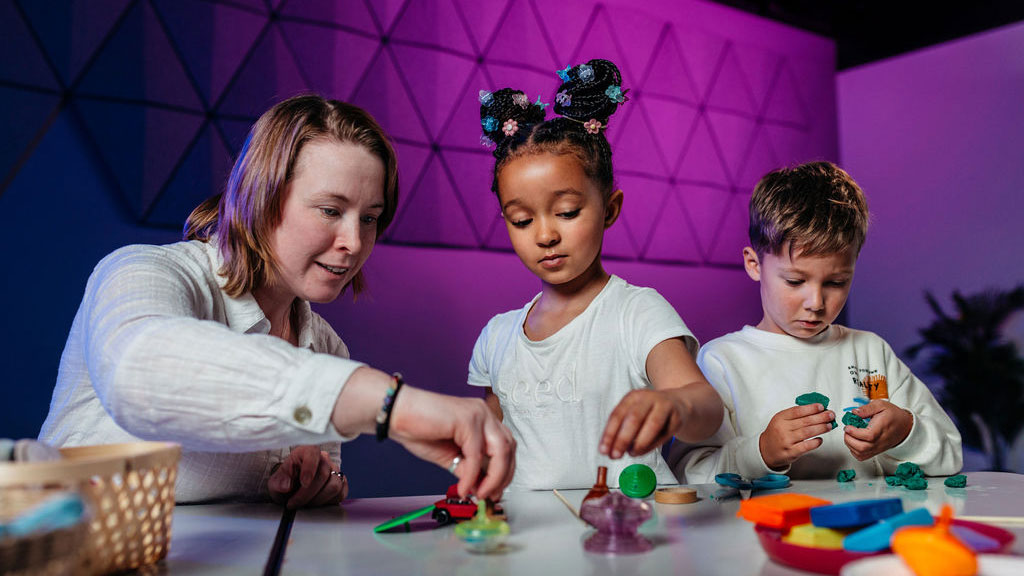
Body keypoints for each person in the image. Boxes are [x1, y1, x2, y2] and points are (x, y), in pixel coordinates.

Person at [39, 94, 514, 507]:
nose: (354, 241)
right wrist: (391, 404)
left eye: (370, 218)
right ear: (261, 196)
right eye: (331, 210)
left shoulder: (325, 347)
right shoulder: (142, 270)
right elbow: (138, 371)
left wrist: (314, 484)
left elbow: (278, 502)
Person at [468, 59, 724, 490]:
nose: (545, 234)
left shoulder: (637, 312)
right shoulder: (496, 338)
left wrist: (675, 406)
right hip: (531, 541)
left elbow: (707, 408)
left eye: (567, 212)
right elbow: (489, 446)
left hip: (631, 533)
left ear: (609, 209)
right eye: (521, 220)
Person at [671, 161, 962, 483]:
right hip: (758, 531)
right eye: (795, 281)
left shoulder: (870, 355)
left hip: (868, 528)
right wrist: (761, 452)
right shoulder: (722, 362)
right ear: (754, 264)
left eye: (836, 283)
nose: (816, 303)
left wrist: (906, 432)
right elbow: (687, 474)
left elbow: (951, 454)